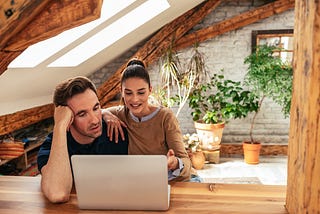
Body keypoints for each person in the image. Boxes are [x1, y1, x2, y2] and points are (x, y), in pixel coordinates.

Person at [37, 76, 128, 203]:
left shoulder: (116, 130)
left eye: (96, 108)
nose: (95, 120)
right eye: (82, 114)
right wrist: (60, 125)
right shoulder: (53, 144)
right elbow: (57, 194)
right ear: (68, 118)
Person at [103, 58, 194, 182]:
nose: (134, 100)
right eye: (128, 93)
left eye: (141, 92)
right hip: (141, 183)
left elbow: (186, 164)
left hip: (171, 182)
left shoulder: (165, 117)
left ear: (150, 90)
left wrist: (175, 163)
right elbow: (96, 111)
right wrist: (106, 115)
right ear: (121, 92)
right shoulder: (120, 113)